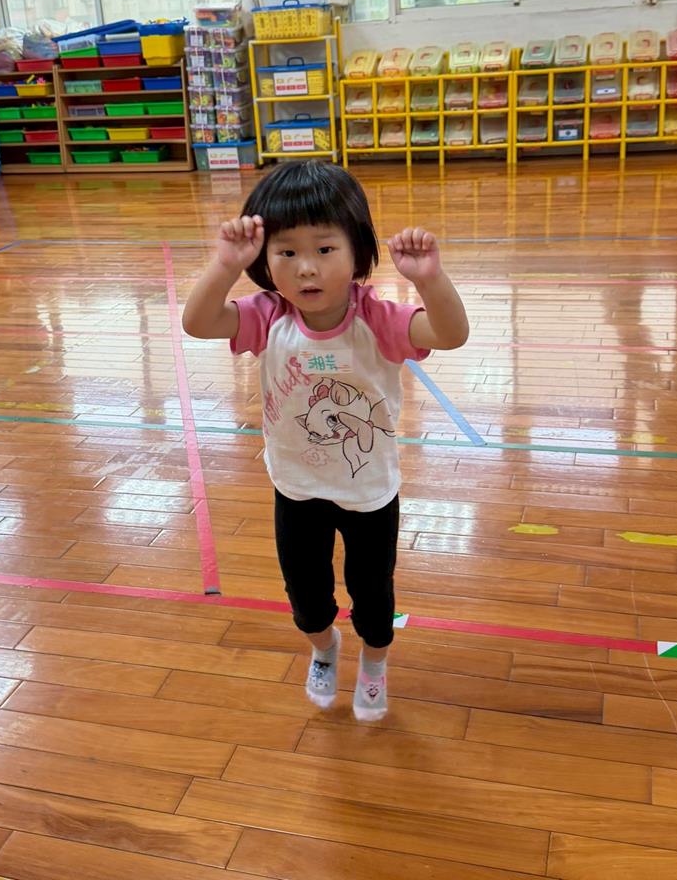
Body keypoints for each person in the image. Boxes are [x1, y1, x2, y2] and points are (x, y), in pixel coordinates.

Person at [182, 160, 469, 720]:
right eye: (287, 252)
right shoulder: (268, 315)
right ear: (265, 261)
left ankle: (375, 663)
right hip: (296, 487)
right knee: (308, 601)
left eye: (324, 249)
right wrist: (224, 265)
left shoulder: (377, 318)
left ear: (357, 252)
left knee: (373, 597)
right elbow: (198, 322)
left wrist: (430, 279)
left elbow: (450, 334)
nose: (306, 268)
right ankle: (324, 648)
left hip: (369, 493)